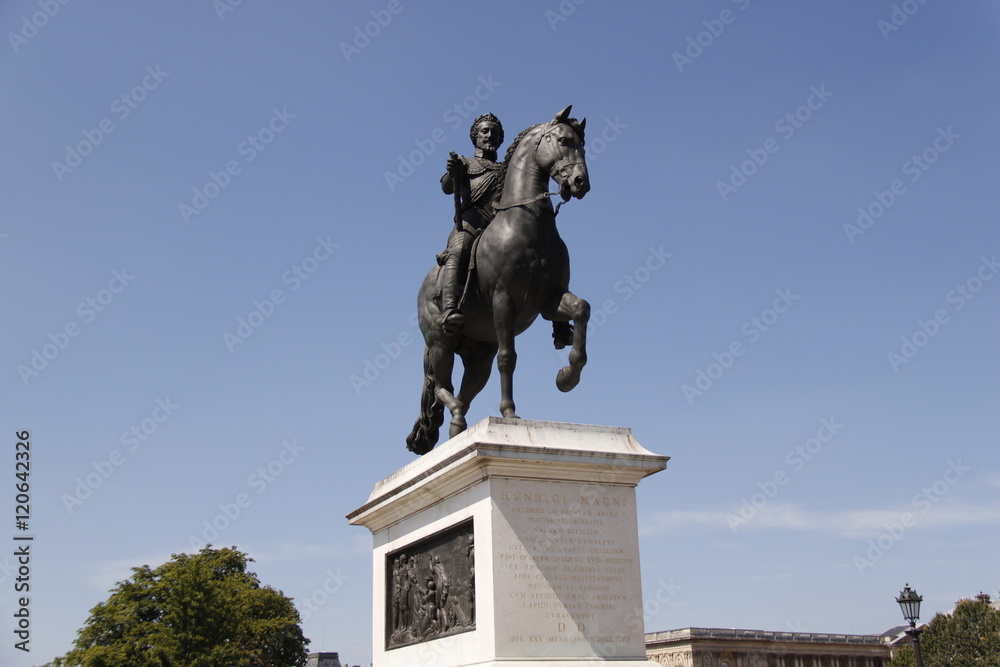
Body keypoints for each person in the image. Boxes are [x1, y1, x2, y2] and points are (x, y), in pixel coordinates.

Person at [438, 113, 504, 334]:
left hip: (500, 227)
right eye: (484, 131)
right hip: (470, 224)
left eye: (494, 132)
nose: (489, 135)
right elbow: (447, 187)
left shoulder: (507, 170)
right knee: (458, 249)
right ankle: (449, 308)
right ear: (475, 137)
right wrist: (452, 171)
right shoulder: (465, 163)